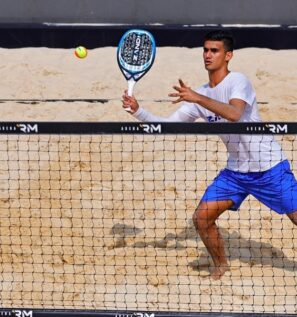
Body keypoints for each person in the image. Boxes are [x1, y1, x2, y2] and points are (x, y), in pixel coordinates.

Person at [122, 30, 297, 280]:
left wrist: (197, 98)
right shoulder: (199, 96)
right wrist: (138, 111)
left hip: (269, 166)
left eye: (214, 51)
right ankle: (221, 265)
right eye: (205, 50)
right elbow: (167, 127)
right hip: (236, 172)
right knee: (202, 219)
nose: (207, 55)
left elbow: (234, 114)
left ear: (228, 56)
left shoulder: (238, 81)